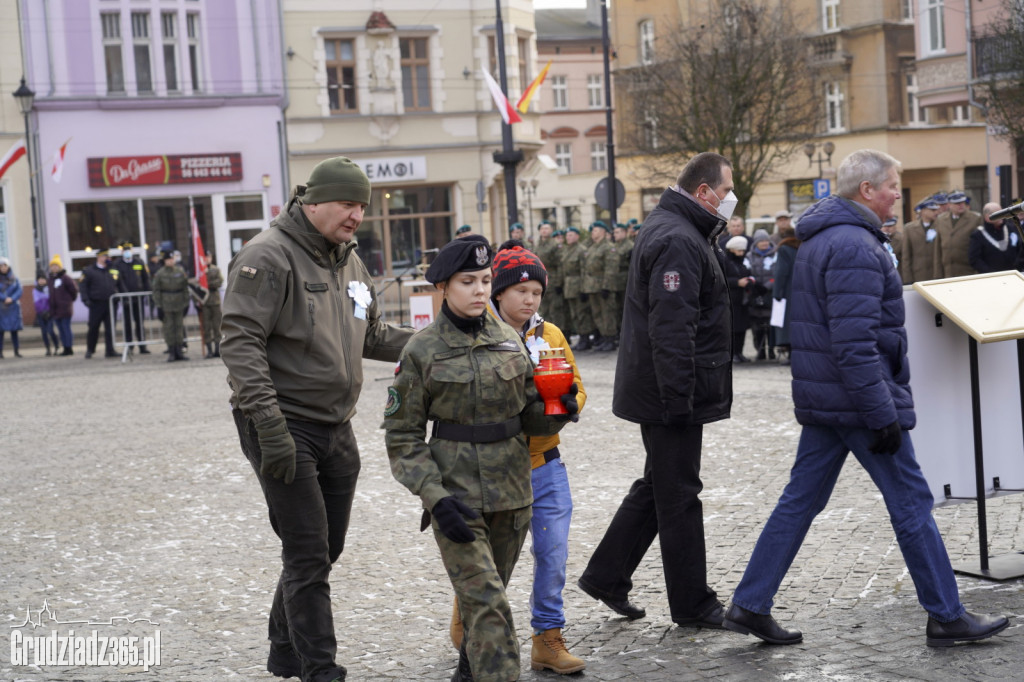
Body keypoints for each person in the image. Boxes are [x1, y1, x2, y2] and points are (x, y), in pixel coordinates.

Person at [722, 149, 1010, 648]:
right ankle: (946, 614)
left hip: (829, 399)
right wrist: (883, 414)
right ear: (867, 191)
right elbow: (854, 345)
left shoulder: (829, 238)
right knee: (912, 502)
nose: (900, 194)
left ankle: (750, 603)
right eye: (894, 186)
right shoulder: (855, 245)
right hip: (858, 402)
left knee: (799, 502)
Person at [221, 157, 414, 682]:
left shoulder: (349, 261)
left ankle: (284, 647)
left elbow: (371, 335)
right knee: (307, 553)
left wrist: (432, 342)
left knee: (328, 546)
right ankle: (319, 669)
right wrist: (268, 428)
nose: (356, 215)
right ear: (313, 202)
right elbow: (240, 343)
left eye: (361, 207)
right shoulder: (268, 255)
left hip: (336, 424)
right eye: (347, 204)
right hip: (282, 424)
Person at [383, 236, 577, 682]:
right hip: (458, 498)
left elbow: (531, 421)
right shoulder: (422, 350)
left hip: (513, 496)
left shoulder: (510, 341)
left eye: (485, 281)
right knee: (489, 605)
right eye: (467, 281)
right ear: (443, 288)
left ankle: (468, 673)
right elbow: (403, 437)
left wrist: (559, 409)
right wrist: (435, 497)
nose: (478, 290)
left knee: (485, 603)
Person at [577, 151, 735, 628]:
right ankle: (694, 604)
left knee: (660, 485)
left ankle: (606, 576)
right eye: (726, 192)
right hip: (670, 394)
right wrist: (679, 401)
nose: (729, 201)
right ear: (704, 192)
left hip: (666, 390)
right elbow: (671, 330)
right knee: (680, 494)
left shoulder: (679, 228)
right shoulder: (678, 238)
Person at [447, 239, 588, 675]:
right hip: (492, 470)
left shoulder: (551, 335)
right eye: (521, 291)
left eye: (537, 293)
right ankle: (469, 619)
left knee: (553, 553)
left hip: (546, 465)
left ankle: (548, 638)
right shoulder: (478, 335)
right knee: (489, 561)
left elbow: (577, 388)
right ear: (498, 293)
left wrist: (567, 403)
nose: (529, 300)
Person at [581, 220, 618, 351]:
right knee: (597, 313)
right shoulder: (592, 247)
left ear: (603, 232)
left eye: (595, 230)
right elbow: (586, 269)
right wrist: (584, 287)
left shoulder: (608, 247)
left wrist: (606, 286)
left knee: (607, 313)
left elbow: (611, 269)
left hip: (603, 285)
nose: (593, 233)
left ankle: (610, 339)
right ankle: (603, 337)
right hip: (592, 286)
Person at [79, 248, 120, 358]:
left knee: (110, 328)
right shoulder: (89, 271)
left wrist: (120, 296)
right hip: (96, 304)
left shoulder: (112, 269)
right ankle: (90, 349)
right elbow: (83, 286)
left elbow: (119, 283)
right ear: (99, 257)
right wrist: (86, 300)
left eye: (108, 257)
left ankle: (110, 350)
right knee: (93, 327)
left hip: (111, 304)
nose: (108, 259)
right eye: (105, 256)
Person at [150, 251, 190, 362]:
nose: (171, 261)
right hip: (166, 304)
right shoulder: (160, 273)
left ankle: (179, 351)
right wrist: (158, 306)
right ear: (165, 261)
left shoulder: (180, 271)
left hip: (179, 304)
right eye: (169, 260)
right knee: (169, 329)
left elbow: (185, 289)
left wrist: (186, 303)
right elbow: (156, 291)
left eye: (172, 259)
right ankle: (171, 351)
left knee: (179, 328)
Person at [113, 242, 152, 354]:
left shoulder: (139, 262)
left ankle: (142, 345)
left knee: (140, 322)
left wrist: (147, 293)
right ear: (122, 252)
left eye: (129, 249)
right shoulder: (118, 264)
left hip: (138, 297)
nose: (127, 252)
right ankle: (129, 346)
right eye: (125, 250)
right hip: (125, 298)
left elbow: (145, 278)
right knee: (127, 323)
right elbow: (115, 280)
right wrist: (120, 294)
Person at [934, 190, 982, 278]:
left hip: (968, 271)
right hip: (948, 272)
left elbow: (981, 247)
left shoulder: (975, 219)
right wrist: (938, 274)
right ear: (949, 205)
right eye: (957, 203)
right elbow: (938, 249)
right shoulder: (941, 219)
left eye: (962, 202)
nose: (961, 205)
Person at [560, 227, 593, 351]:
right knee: (574, 314)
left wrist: (584, 288)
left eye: (571, 235)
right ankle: (581, 337)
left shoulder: (581, 250)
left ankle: (585, 338)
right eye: (567, 235)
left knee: (582, 313)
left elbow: (585, 271)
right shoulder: (566, 250)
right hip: (569, 286)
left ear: (577, 236)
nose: (569, 237)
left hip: (579, 285)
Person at [745, 229, 776, 361]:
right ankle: (760, 350)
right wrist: (755, 285)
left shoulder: (776, 254)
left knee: (771, 326)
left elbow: (777, 274)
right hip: (755, 294)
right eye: (761, 241)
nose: (764, 243)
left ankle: (771, 349)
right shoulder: (749, 256)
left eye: (766, 240)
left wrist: (767, 286)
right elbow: (746, 271)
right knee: (756, 326)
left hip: (770, 294)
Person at [723, 235, 755, 363]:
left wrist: (750, 280)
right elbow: (722, 279)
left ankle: (740, 353)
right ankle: (733, 353)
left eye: (743, 251)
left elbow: (747, 274)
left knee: (742, 329)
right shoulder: (726, 262)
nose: (741, 253)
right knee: (733, 329)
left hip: (742, 301)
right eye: (739, 251)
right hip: (731, 301)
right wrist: (737, 282)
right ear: (732, 250)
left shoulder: (742, 262)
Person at [771, 222, 800, 365]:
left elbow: (781, 273)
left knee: (786, 323)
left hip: (787, 291)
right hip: (800, 291)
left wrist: (777, 293)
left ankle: (790, 354)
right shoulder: (802, 247)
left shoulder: (784, 250)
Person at [969, 202, 1022, 274]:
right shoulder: (978, 235)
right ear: (987, 217)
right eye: (998, 213)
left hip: (1013, 275)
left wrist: (1017, 267)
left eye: (1002, 212)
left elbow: (1020, 249)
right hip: (991, 278)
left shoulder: (1011, 228)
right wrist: (991, 273)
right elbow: (975, 260)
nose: (1002, 216)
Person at [900, 198, 941, 285]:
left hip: (937, 276)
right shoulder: (909, 228)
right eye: (932, 210)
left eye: (936, 210)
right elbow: (906, 256)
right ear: (922, 211)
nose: (936, 212)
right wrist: (907, 279)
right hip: (918, 275)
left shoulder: (941, 226)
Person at [47, 254, 77, 356]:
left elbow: (73, 291)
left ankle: (69, 347)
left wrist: (68, 301)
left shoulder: (66, 278)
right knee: (60, 330)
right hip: (55, 309)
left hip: (65, 308)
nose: (54, 268)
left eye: (56, 266)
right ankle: (64, 346)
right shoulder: (50, 279)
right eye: (52, 266)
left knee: (66, 328)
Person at [199, 251, 224, 358]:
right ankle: (209, 350)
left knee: (217, 325)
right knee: (207, 326)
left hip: (215, 301)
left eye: (208, 257)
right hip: (204, 301)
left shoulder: (216, 269)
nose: (207, 259)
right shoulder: (200, 271)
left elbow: (220, 281)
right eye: (205, 257)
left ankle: (217, 349)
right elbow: (198, 284)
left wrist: (208, 285)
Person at [0, 256, 24, 358]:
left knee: (14, 331)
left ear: (8, 266)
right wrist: (4, 298)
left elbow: (19, 290)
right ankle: (0, 352)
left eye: (5, 265)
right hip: (2, 308)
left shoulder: (14, 278)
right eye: (1, 266)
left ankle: (16, 351)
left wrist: (12, 298)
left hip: (13, 307)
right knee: (1, 332)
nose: (3, 268)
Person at [33, 272, 59, 356]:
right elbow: (36, 302)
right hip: (40, 314)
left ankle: (56, 345)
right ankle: (48, 348)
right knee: (44, 332)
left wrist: (48, 311)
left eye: (43, 279)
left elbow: (51, 300)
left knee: (50, 330)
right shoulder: (35, 290)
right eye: (40, 279)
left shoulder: (49, 288)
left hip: (49, 313)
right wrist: (41, 311)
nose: (41, 281)